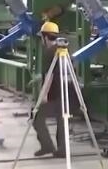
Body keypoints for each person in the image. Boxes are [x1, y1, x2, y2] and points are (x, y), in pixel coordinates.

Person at [32, 21, 75, 158]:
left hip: (55, 93)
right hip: (68, 92)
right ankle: (63, 149)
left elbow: (49, 75)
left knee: (36, 116)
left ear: (45, 37)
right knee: (62, 120)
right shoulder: (64, 50)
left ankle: (47, 145)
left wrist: (43, 95)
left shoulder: (50, 52)